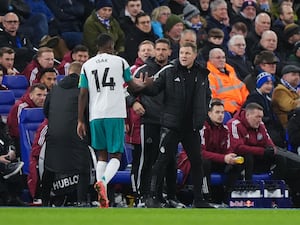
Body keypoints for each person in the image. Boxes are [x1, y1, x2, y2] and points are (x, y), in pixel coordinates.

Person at [77, 33, 145, 208]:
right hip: (114, 112)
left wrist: (80, 120)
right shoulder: (120, 62)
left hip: (95, 115)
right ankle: (104, 182)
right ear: (111, 46)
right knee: (116, 154)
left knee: (101, 155)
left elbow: (83, 94)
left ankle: (102, 192)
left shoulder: (87, 65)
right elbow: (133, 85)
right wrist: (146, 84)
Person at [141, 42, 212, 208]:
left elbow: (207, 95)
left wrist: (202, 114)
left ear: (194, 55)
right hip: (172, 126)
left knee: (196, 161)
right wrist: (144, 86)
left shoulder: (202, 74)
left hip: (192, 127)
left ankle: (199, 199)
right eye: (182, 53)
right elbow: (154, 90)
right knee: (161, 161)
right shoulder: (169, 71)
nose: (184, 56)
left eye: (187, 53)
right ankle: (151, 197)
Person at [127, 38, 172, 206]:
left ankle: (157, 195)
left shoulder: (173, 70)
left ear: (169, 51)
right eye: (158, 49)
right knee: (146, 159)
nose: (160, 52)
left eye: (163, 49)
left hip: (168, 122)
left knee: (163, 161)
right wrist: (134, 102)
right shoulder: (143, 69)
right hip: (149, 119)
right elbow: (126, 91)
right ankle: (140, 194)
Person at [42, 61, 91, 207]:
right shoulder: (84, 90)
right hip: (76, 134)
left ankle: (44, 200)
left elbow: (46, 111)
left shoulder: (54, 90)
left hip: (54, 135)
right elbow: (87, 113)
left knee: (49, 168)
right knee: (83, 168)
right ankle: (81, 201)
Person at [178, 99, 243, 203]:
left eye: (222, 112)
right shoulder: (201, 127)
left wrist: (231, 157)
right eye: (217, 112)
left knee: (236, 164)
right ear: (209, 113)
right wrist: (224, 158)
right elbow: (200, 152)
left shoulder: (225, 130)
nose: (221, 115)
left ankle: (228, 198)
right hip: (192, 162)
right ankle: (206, 196)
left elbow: (228, 150)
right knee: (204, 162)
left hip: (215, 161)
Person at [227, 103, 286, 180]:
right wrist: (262, 151)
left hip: (257, 157)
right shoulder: (234, 124)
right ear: (248, 115)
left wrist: (272, 149)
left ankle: (276, 184)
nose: (260, 120)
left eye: (261, 117)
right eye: (257, 117)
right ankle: (248, 185)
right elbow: (238, 148)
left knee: (280, 157)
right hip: (240, 159)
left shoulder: (260, 124)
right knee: (247, 156)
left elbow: (268, 141)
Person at [243, 72, 286, 148]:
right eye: (266, 83)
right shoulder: (254, 97)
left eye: (271, 84)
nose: (270, 86)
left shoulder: (267, 98)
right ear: (260, 84)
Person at [7, 83, 48, 156]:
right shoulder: (21, 107)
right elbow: (15, 130)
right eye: (39, 95)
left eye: (45, 95)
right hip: (19, 140)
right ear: (31, 95)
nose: (43, 98)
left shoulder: (47, 107)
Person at [207, 48, 249, 115]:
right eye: (218, 58)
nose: (221, 60)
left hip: (240, 110)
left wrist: (247, 105)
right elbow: (212, 98)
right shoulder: (209, 76)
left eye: (223, 57)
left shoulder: (231, 72)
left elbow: (243, 89)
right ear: (210, 60)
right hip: (225, 112)